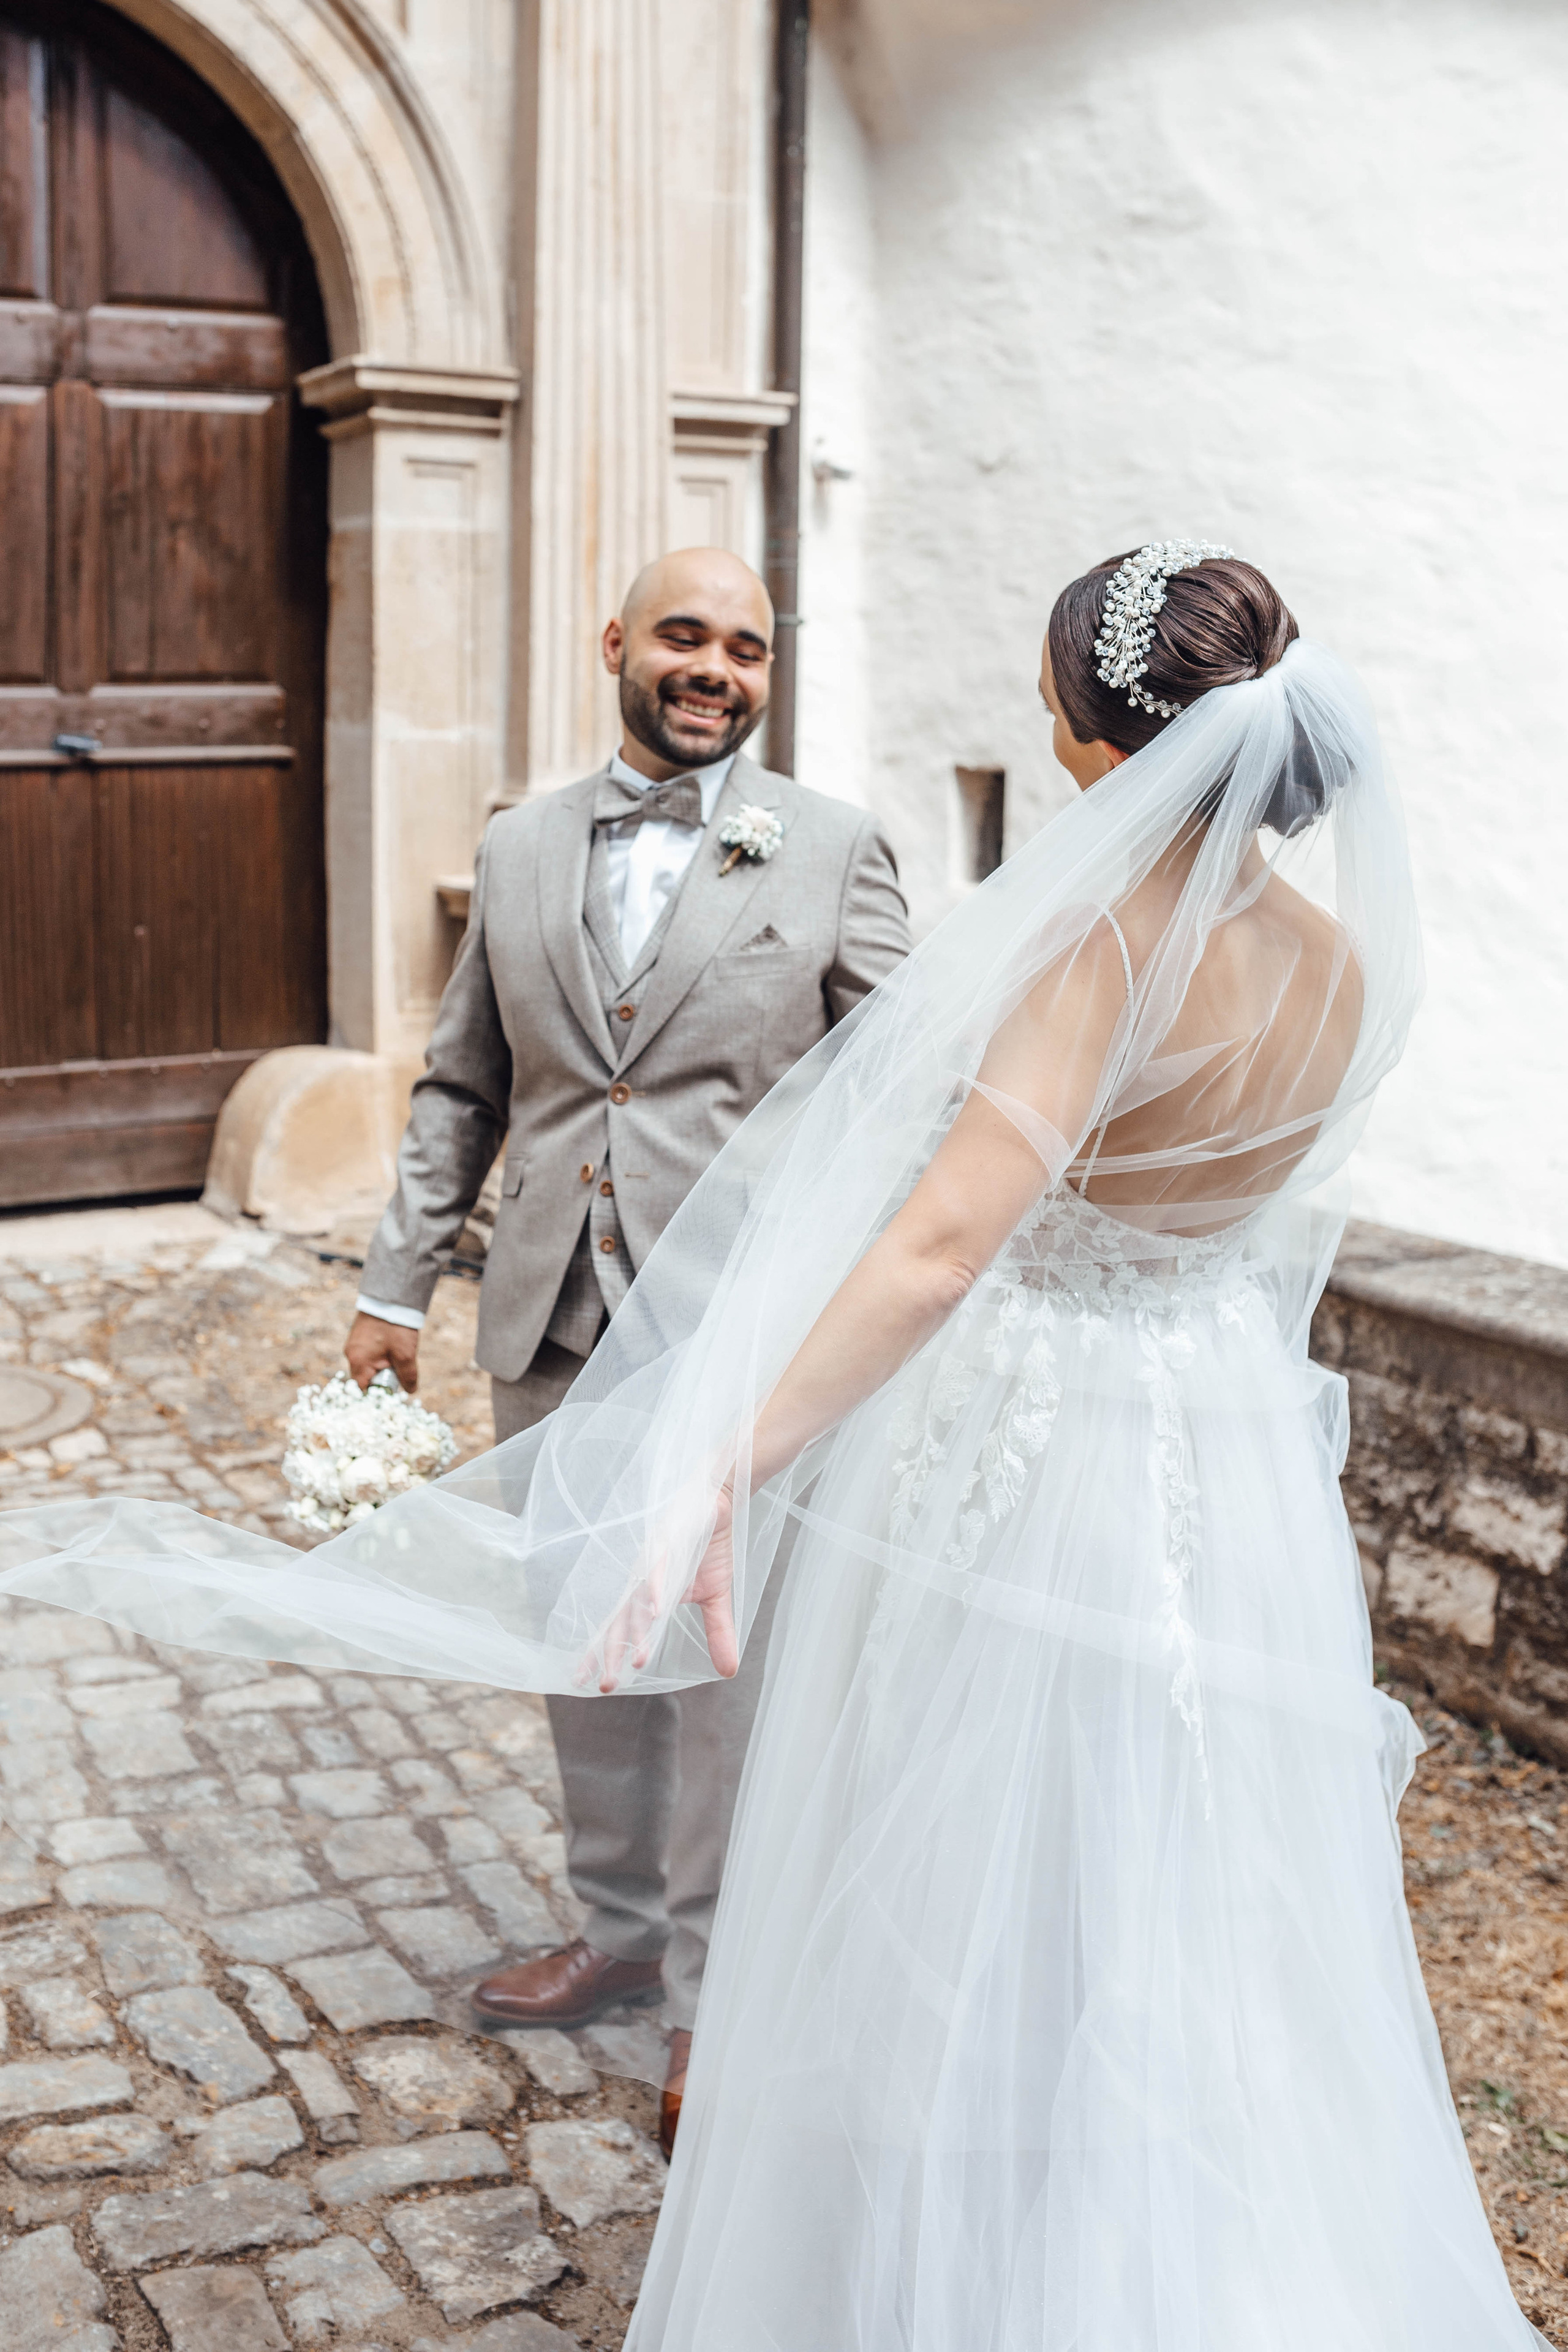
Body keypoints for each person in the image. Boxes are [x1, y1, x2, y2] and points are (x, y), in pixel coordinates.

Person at [0, 543, 1542, 2349]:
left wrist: (722, 1450)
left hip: (1032, 1467)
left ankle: (978, 2254)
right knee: (1167, 1869)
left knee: (959, 1857)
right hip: (1214, 1465)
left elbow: (944, 1244)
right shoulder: (1342, 963)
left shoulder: (1106, 936)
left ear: (1094, 736)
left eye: (1049, 700)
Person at [344, 545, 909, 2149]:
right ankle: (614, 1931)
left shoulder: (834, 850)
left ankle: (712, 2009)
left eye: (747, 644)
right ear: (619, 645)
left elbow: (905, 1083)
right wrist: (396, 1288)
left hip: (742, 1339)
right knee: (585, 1644)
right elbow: (464, 1083)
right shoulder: (520, 846)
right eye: (685, 633)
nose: (716, 664)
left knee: (717, 1675)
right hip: (549, 1315)